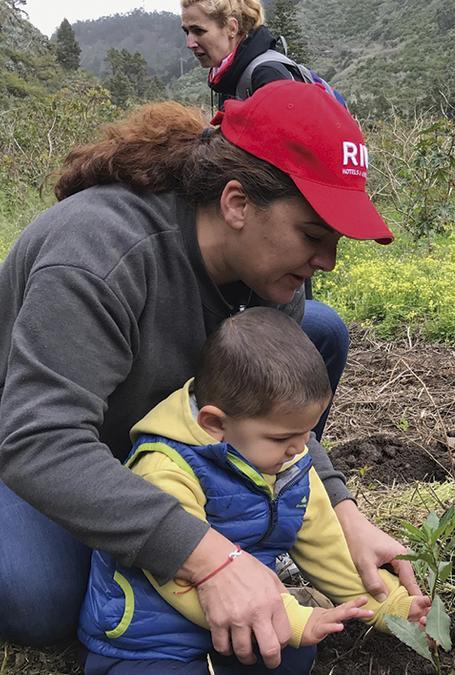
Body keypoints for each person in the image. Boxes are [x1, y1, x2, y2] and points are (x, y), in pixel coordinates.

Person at [0, 81, 419, 671]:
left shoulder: (265, 275)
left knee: (318, 331)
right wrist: (209, 558)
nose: (327, 260)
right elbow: (41, 444)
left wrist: (344, 515)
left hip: (112, 426)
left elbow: (270, 400)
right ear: (236, 203)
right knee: (41, 599)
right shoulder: (99, 253)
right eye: (314, 236)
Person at [79, 307, 430, 674]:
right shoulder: (165, 468)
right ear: (215, 423)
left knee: (297, 655)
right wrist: (291, 618)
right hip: (153, 642)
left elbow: (328, 547)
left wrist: (395, 608)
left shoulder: (287, 462)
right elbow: (179, 578)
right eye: (282, 438)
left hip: (243, 623)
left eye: (305, 434)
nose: (300, 449)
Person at [181, 0, 349, 442]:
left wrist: (330, 498)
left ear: (232, 26)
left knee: (319, 327)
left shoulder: (265, 75)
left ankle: (276, 444)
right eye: (187, 32)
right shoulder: (116, 251)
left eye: (198, 30)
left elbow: (294, 190)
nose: (190, 42)